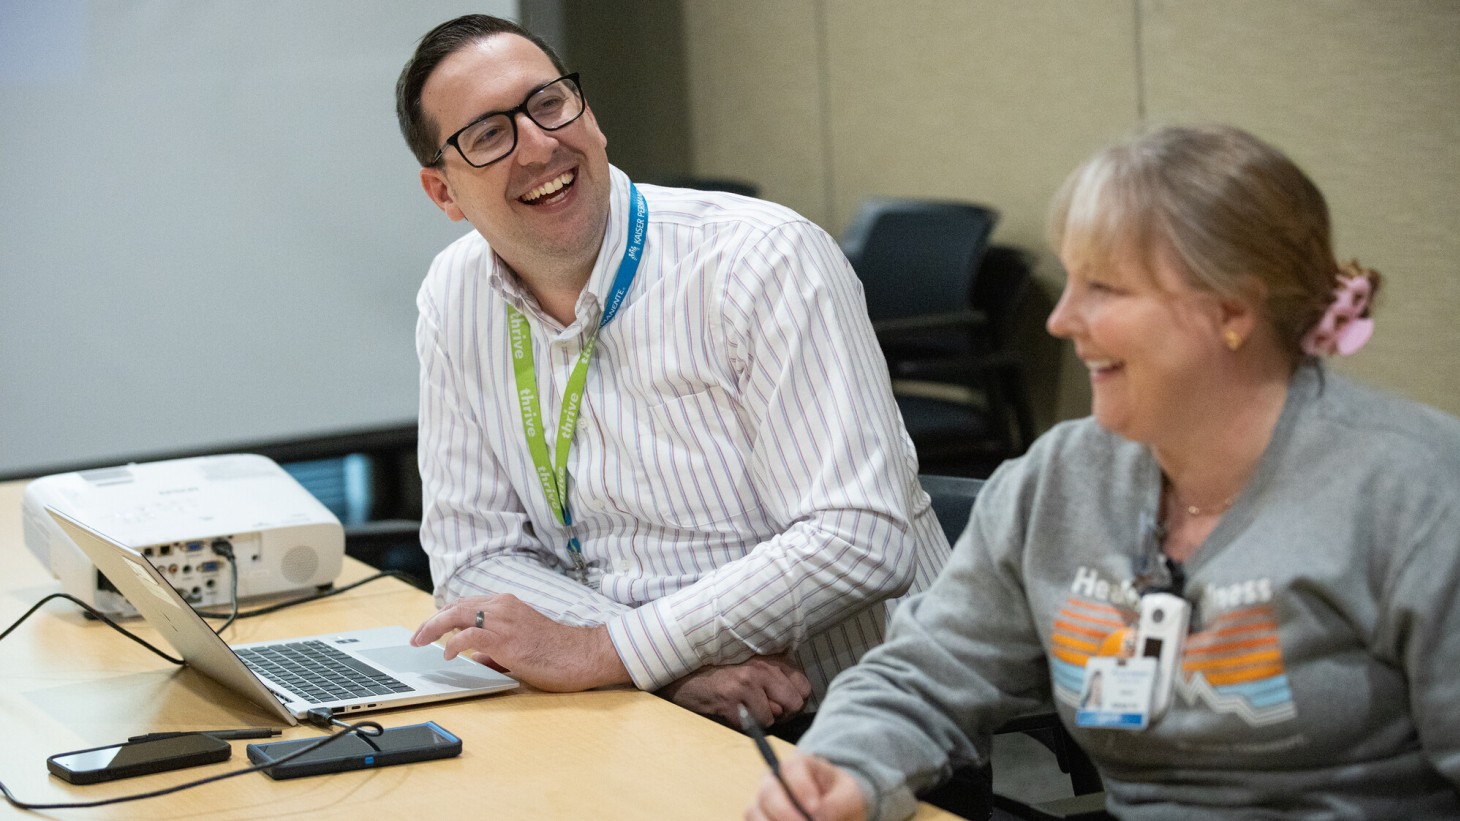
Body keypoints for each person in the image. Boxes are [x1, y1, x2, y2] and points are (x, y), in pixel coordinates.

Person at [747, 124, 1460, 820]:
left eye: (1104, 288)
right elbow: (924, 675)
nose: (1060, 319)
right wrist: (844, 767)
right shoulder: (1061, 477)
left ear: (1231, 311)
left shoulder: (1414, 489)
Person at [393, 14, 950, 730]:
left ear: (589, 116)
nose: (539, 143)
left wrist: (611, 651)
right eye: (489, 135)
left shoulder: (762, 260)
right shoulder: (453, 296)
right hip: (649, 703)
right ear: (444, 193)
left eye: (550, 103)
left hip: (853, 714)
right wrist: (666, 668)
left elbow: (859, 538)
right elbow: (473, 561)